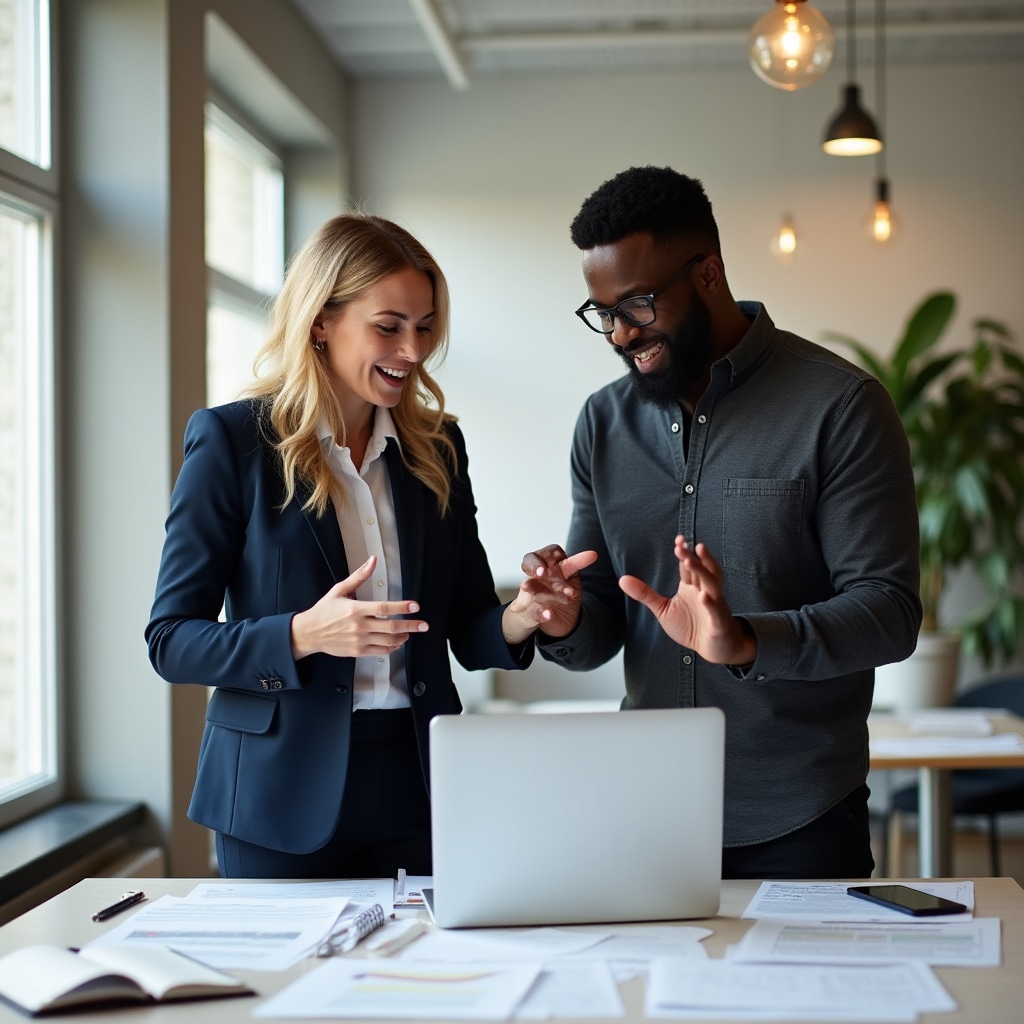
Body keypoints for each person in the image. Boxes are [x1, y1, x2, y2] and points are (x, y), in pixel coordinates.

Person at [146, 213, 588, 879]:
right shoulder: (233, 443)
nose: (413, 350)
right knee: (288, 986)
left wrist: (525, 614)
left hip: (417, 785)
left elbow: (468, 628)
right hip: (277, 795)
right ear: (322, 320)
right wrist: (303, 633)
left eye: (425, 326)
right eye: (390, 326)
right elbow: (171, 640)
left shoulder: (437, 449)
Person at [525, 166, 922, 879]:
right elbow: (602, 626)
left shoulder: (842, 407)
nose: (620, 334)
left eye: (639, 306)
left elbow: (889, 613)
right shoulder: (603, 424)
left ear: (708, 273)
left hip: (800, 816)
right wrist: (562, 620)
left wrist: (745, 641)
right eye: (602, 312)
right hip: (646, 813)